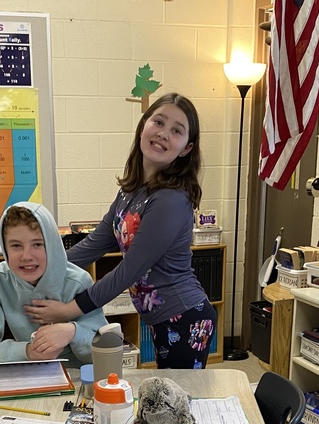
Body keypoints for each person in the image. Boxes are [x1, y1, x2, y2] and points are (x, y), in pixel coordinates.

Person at [23, 93, 216, 369]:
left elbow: (129, 270)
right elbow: (94, 244)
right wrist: (41, 270)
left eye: (176, 131)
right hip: (160, 316)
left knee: (175, 405)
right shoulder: (132, 190)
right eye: (158, 122)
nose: (163, 133)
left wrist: (68, 310)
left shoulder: (171, 199)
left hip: (185, 316)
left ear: (186, 148)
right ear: (143, 127)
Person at [0, 202, 106, 366]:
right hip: (26, 376)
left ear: (52, 245)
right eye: (16, 246)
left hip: (79, 379)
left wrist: (72, 332)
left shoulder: (78, 282)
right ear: (4, 248)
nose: (26, 256)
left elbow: (102, 346)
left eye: (37, 244)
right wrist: (27, 351)